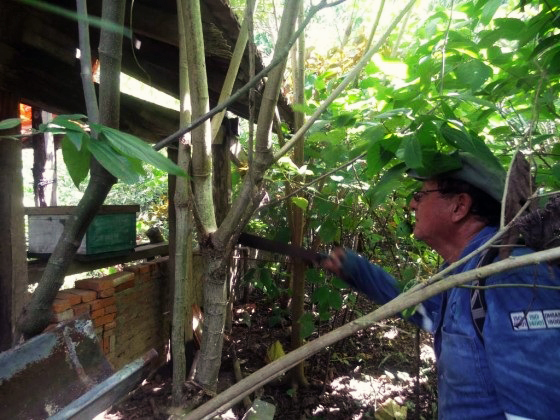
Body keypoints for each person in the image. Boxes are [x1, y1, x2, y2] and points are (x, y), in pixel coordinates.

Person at [322, 152, 560, 419]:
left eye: (421, 194)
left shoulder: (511, 277)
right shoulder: (463, 269)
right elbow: (423, 310)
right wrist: (357, 271)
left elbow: (539, 410)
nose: (412, 204)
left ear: (459, 206)